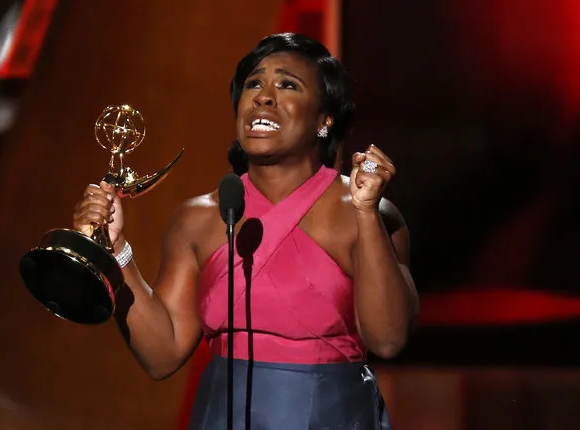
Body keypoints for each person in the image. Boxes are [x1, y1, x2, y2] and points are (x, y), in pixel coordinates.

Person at [73, 32, 418, 430]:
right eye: (254, 83)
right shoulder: (197, 219)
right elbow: (162, 354)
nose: (264, 96)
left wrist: (365, 212)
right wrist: (115, 251)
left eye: (287, 84)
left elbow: (388, 339)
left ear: (325, 119)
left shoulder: (369, 213)